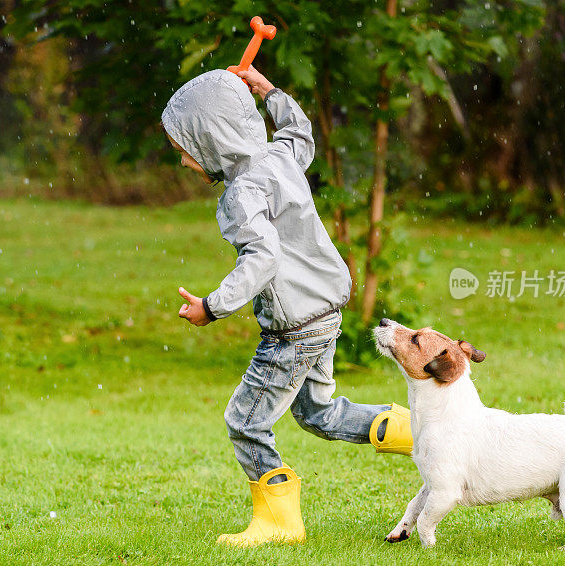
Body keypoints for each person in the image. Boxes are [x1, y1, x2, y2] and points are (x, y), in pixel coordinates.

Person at [161, 66, 412, 547]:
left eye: (185, 152)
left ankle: (279, 521)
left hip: (293, 328)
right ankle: (419, 435)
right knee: (320, 415)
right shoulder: (280, 157)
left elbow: (263, 257)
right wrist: (269, 91)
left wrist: (212, 306)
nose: (185, 164)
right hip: (324, 315)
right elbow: (300, 133)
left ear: (212, 142)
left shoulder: (241, 194)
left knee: (245, 419)